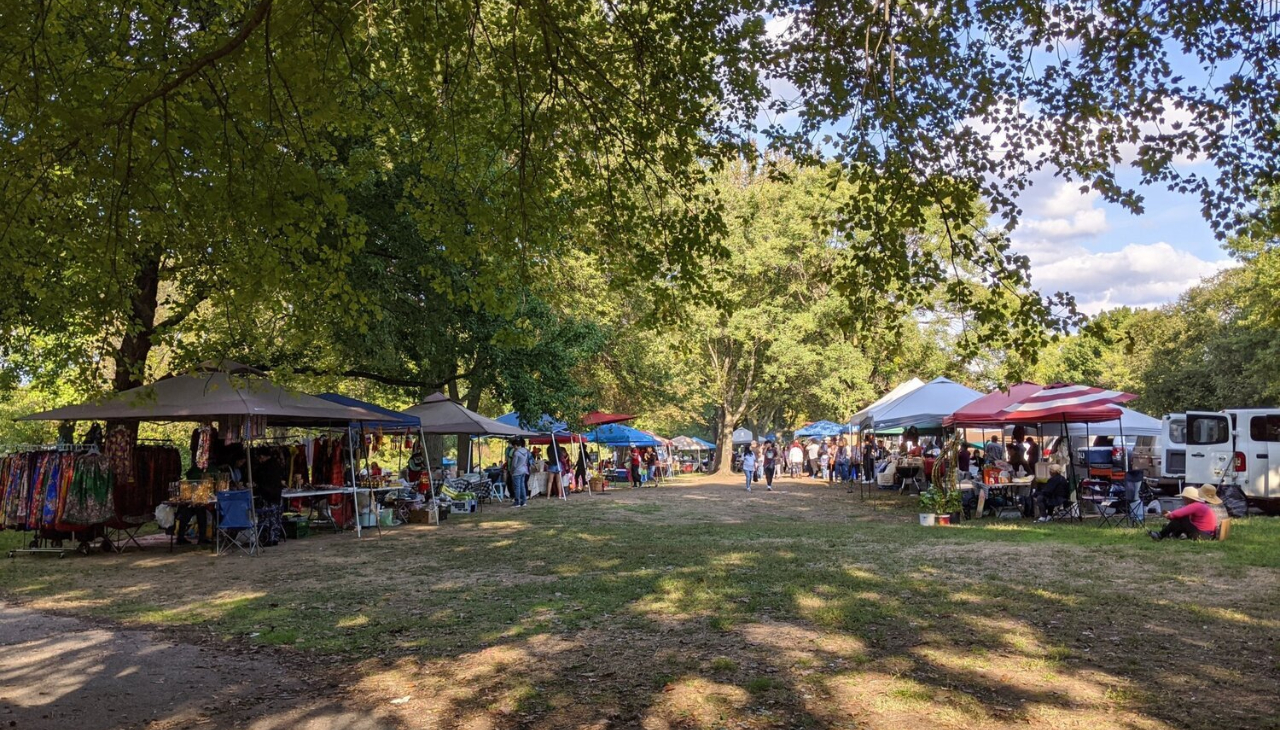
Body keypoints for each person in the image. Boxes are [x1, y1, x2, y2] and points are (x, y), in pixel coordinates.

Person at [1150, 487, 1218, 541]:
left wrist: (1169, 515)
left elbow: (1178, 513)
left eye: (1184, 498)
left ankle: (1161, 535)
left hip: (1202, 535)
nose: (1183, 500)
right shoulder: (1201, 505)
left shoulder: (1196, 505)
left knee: (1182, 519)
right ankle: (1171, 534)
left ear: (1189, 499)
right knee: (1183, 519)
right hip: (1208, 535)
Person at [509, 439, 531, 507]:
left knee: (517, 487)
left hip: (517, 471)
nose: (513, 448)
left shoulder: (516, 453)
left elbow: (514, 464)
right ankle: (524, 501)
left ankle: (517, 502)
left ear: (515, 445)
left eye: (513, 446)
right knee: (522, 486)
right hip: (523, 470)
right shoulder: (526, 451)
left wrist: (511, 471)